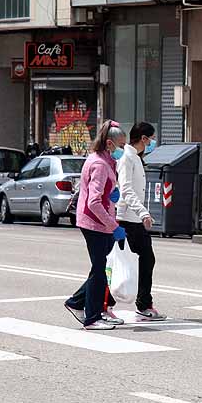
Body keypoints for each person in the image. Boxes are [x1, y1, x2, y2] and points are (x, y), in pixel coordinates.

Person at [64, 121, 128, 330]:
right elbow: (93, 201)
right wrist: (113, 226)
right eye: (121, 145)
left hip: (97, 221)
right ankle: (91, 317)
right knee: (100, 270)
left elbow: (100, 193)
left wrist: (112, 196)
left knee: (100, 269)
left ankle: (77, 303)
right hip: (95, 223)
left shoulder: (105, 160)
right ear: (109, 143)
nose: (123, 149)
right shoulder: (100, 164)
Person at [117, 121, 165, 321]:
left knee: (143, 259)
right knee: (121, 262)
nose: (153, 142)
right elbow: (126, 188)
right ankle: (96, 303)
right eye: (151, 139)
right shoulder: (127, 158)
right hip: (126, 218)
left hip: (133, 218)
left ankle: (143, 303)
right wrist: (143, 212)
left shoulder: (135, 157)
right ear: (143, 139)